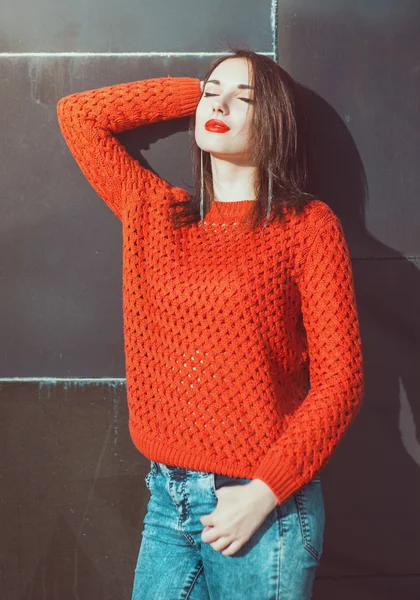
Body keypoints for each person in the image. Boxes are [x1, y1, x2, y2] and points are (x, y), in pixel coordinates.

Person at [57, 44, 364, 600]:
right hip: (167, 497)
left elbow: (341, 383)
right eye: (212, 92)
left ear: (273, 118)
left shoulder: (305, 226)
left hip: (262, 506)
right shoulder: (157, 214)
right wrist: (193, 91)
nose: (218, 104)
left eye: (243, 98)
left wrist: (264, 493)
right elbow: (79, 115)